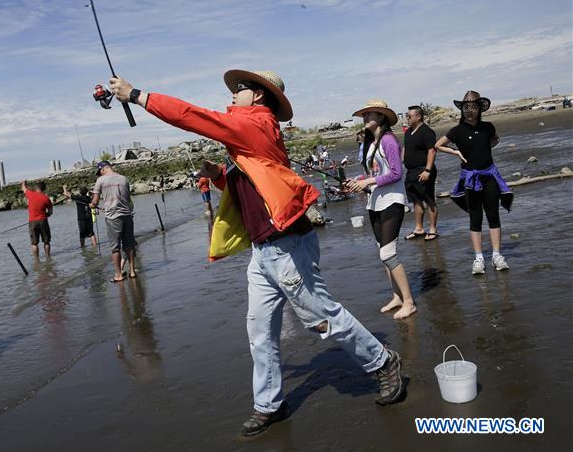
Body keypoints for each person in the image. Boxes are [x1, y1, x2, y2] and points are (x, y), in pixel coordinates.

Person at [108, 70, 406, 438]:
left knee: (321, 317)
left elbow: (192, 116)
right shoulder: (251, 131)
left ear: (260, 97)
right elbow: (255, 181)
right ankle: (269, 403)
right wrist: (220, 175)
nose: (232, 94)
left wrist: (136, 94)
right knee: (260, 331)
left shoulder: (257, 124)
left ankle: (382, 361)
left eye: (240, 89)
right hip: (263, 249)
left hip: (286, 244)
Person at [346, 100, 416, 321]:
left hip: (392, 201)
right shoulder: (371, 141)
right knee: (382, 253)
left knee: (388, 253)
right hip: (375, 202)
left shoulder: (388, 140)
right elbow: (375, 173)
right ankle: (396, 297)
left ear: (383, 117)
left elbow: (396, 173)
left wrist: (369, 182)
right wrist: (358, 180)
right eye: (364, 115)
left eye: (371, 114)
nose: (366, 118)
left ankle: (409, 302)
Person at [435, 91, 513, 275]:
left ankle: (496, 255)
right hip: (470, 179)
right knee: (475, 218)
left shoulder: (488, 127)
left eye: (474, 107)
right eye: (466, 107)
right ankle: (478, 258)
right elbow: (438, 145)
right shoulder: (457, 130)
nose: (470, 111)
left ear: (480, 109)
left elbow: (495, 139)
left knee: (493, 216)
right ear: (462, 109)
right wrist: (456, 152)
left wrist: (485, 148)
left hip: (489, 177)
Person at [91, 161, 136, 282]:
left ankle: (118, 275)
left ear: (102, 170)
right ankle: (132, 272)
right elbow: (127, 199)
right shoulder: (124, 179)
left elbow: (95, 202)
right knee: (129, 245)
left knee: (115, 248)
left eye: (99, 172)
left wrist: (92, 205)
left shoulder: (100, 180)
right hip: (127, 215)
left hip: (112, 217)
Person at [402, 105, 439, 241]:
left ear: (418, 116)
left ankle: (433, 229)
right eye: (407, 116)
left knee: (429, 200)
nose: (407, 118)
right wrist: (401, 163)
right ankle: (419, 228)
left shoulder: (426, 131)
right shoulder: (408, 131)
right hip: (411, 171)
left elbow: (432, 151)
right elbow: (406, 148)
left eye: (409, 116)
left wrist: (428, 170)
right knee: (415, 200)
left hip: (424, 169)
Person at [22, 180, 53, 259]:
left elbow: (24, 188)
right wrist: (45, 215)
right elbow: (50, 212)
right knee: (46, 241)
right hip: (43, 221)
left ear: (36, 188)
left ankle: (36, 260)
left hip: (32, 221)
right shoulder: (46, 198)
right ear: (44, 189)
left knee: (34, 243)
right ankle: (48, 257)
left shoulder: (30, 194)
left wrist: (23, 183)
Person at [63, 184, 98, 248]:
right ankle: (95, 246)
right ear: (86, 192)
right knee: (91, 233)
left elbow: (66, 194)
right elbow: (94, 197)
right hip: (89, 217)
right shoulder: (89, 198)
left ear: (80, 192)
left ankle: (82, 247)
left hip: (81, 219)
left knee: (82, 234)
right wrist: (90, 193)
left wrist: (64, 188)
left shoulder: (77, 197)